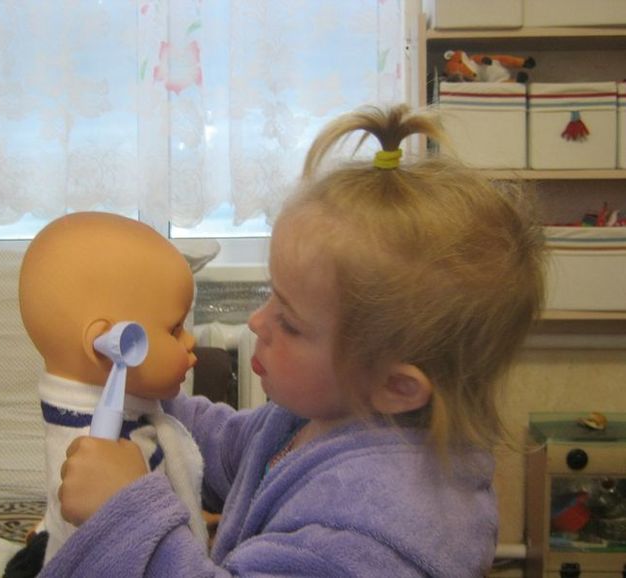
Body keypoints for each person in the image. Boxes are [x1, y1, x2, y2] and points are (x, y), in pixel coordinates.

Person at [42, 105, 546, 577]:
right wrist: (147, 388)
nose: (257, 322)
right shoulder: (321, 417)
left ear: (395, 386)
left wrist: (126, 513)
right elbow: (230, 448)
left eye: (290, 322)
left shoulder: (377, 522)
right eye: (270, 296)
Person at [0, 212, 207, 578]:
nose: (191, 340)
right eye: (174, 330)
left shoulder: (131, 415)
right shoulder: (97, 446)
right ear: (108, 345)